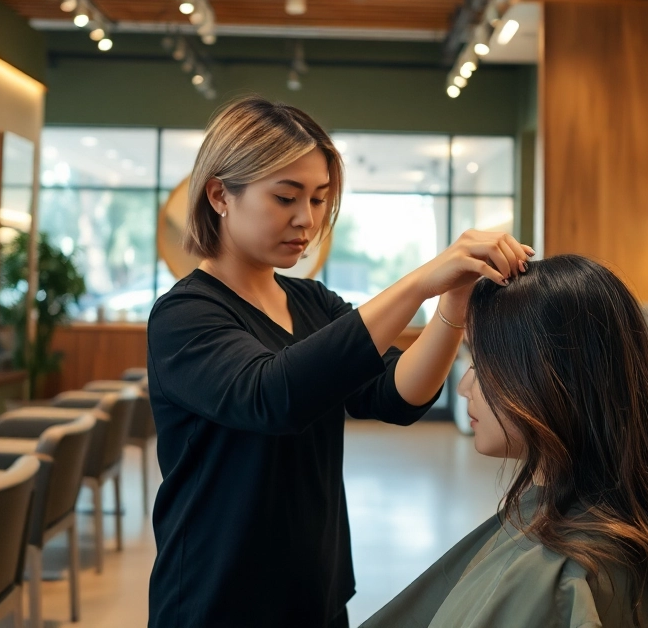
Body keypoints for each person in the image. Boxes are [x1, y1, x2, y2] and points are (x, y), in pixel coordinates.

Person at [146, 96, 533, 628]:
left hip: (315, 589)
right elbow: (273, 397)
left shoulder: (313, 303)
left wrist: (451, 305)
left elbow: (398, 397)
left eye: (320, 198)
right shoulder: (185, 315)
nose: (306, 219)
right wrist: (420, 281)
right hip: (217, 598)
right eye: (285, 197)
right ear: (220, 195)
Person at [363, 255, 648, 628]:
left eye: (481, 366)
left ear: (549, 380)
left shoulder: (564, 576)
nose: (465, 387)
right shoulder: (627, 531)